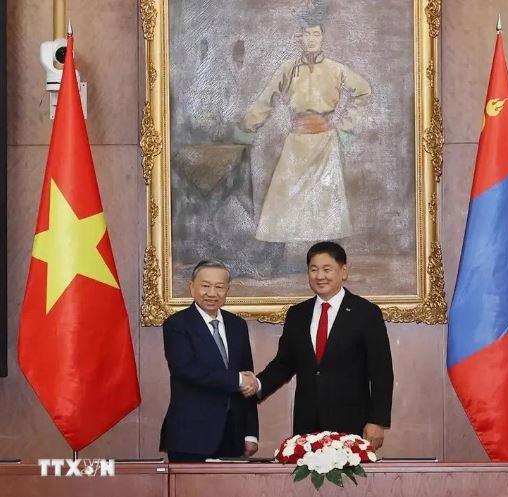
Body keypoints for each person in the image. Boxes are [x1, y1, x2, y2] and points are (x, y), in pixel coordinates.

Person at [243, 242, 393, 450]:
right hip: (307, 425)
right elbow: (284, 363)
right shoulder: (297, 314)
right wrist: (258, 384)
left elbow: (381, 372)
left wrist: (377, 420)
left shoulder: (366, 313)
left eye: (326, 269)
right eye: (313, 270)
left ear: (343, 271)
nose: (319, 276)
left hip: (352, 423)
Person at [239, 23, 371, 242]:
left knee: (325, 202)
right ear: (300, 38)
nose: (311, 39)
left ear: (322, 38)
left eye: (316, 34)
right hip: (296, 143)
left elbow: (363, 91)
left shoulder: (335, 69)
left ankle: (325, 255)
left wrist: (345, 126)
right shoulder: (288, 69)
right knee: (281, 200)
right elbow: (267, 98)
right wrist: (248, 126)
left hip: (325, 144)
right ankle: (275, 256)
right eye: (307, 34)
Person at [160, 261, 259, 461]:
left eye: (219, 287)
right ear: (192, 287)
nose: (212, 293)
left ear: (227, 290)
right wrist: (238, 380)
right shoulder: (177, 325)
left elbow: (247, 377)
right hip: (190, 437)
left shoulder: (237, 325)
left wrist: (250, 433)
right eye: (205, 286)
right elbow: (186, 370)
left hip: (233, 436)